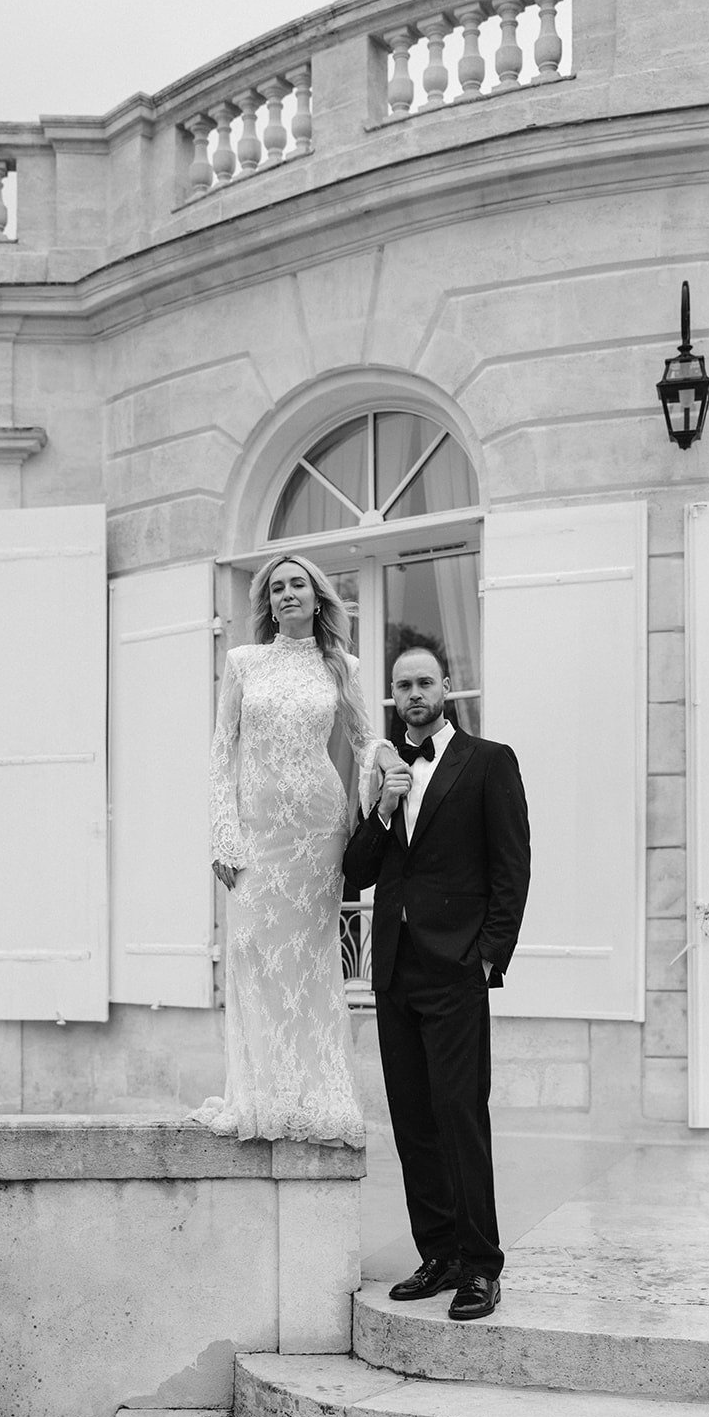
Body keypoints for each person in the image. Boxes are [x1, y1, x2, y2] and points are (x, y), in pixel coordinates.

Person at [342, 647, 530, 1320]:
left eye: (424, 682)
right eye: (402, 686)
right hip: (394, 969)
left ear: (445, 687)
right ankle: (439, 1255)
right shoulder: (384, 773)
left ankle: (481, 1265)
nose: (414, 693)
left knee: (459, 1118)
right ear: (392, 696)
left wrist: (486, 958)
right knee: (413, 1123)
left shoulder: (488, 761)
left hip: (455, 971)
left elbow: (512, 869)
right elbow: (355, 872)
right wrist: (383, 810)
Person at [192, 553, 401, 1150]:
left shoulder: (342, 665)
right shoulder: (243, 663)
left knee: (309, 961)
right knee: (252, 948)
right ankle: (259, 1095)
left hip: (317, 827)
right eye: (276, 587)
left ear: (317, 598)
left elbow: (363, 737)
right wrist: (223, 833)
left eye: (297, 585)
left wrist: (385, 759)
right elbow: (221, 751)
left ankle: (316, 1096)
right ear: (268, 601)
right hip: (257, 829)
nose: (287, 594)